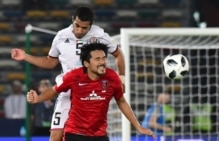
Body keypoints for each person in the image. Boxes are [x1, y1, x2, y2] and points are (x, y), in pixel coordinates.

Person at [11, 6, 125, 141]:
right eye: (77, 25)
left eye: (84, 28)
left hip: (90, 92)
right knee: (55, 137)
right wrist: (25, 57)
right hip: (67, 90)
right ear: (72, 20)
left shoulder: (100, 35)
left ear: (91, 26)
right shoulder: (61, 36)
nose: (79, 30)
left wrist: (121, 78)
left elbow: (119, 54)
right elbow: (50, 62)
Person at [26, 43, 155, 141]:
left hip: (100, 135)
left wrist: (138, 126)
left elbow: (121, 101)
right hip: (75, 134)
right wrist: (37, 99)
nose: (102, 62)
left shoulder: (112, 77)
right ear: (86, 63)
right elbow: (54, 90)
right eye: (97, 59)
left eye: (104, 58)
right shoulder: (73, 76)